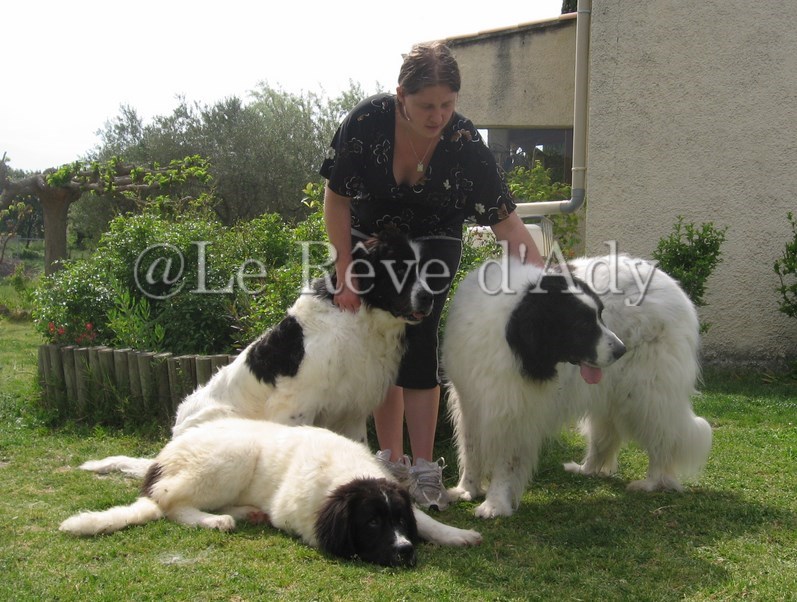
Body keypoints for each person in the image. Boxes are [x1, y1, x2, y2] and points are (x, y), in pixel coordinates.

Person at [319, 41, 544, 510]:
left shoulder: (464, 142)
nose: (438, 116)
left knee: (419, 340)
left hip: (435, 241)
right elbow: (336, 201)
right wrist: (345, 270)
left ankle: (425, 470)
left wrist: (547, 284)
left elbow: (507, 224)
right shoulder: (365, 122)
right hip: (372, 242)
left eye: (447, 104)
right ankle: (390, 462)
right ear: (401, 94)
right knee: (381, 341)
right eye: (426, 105)